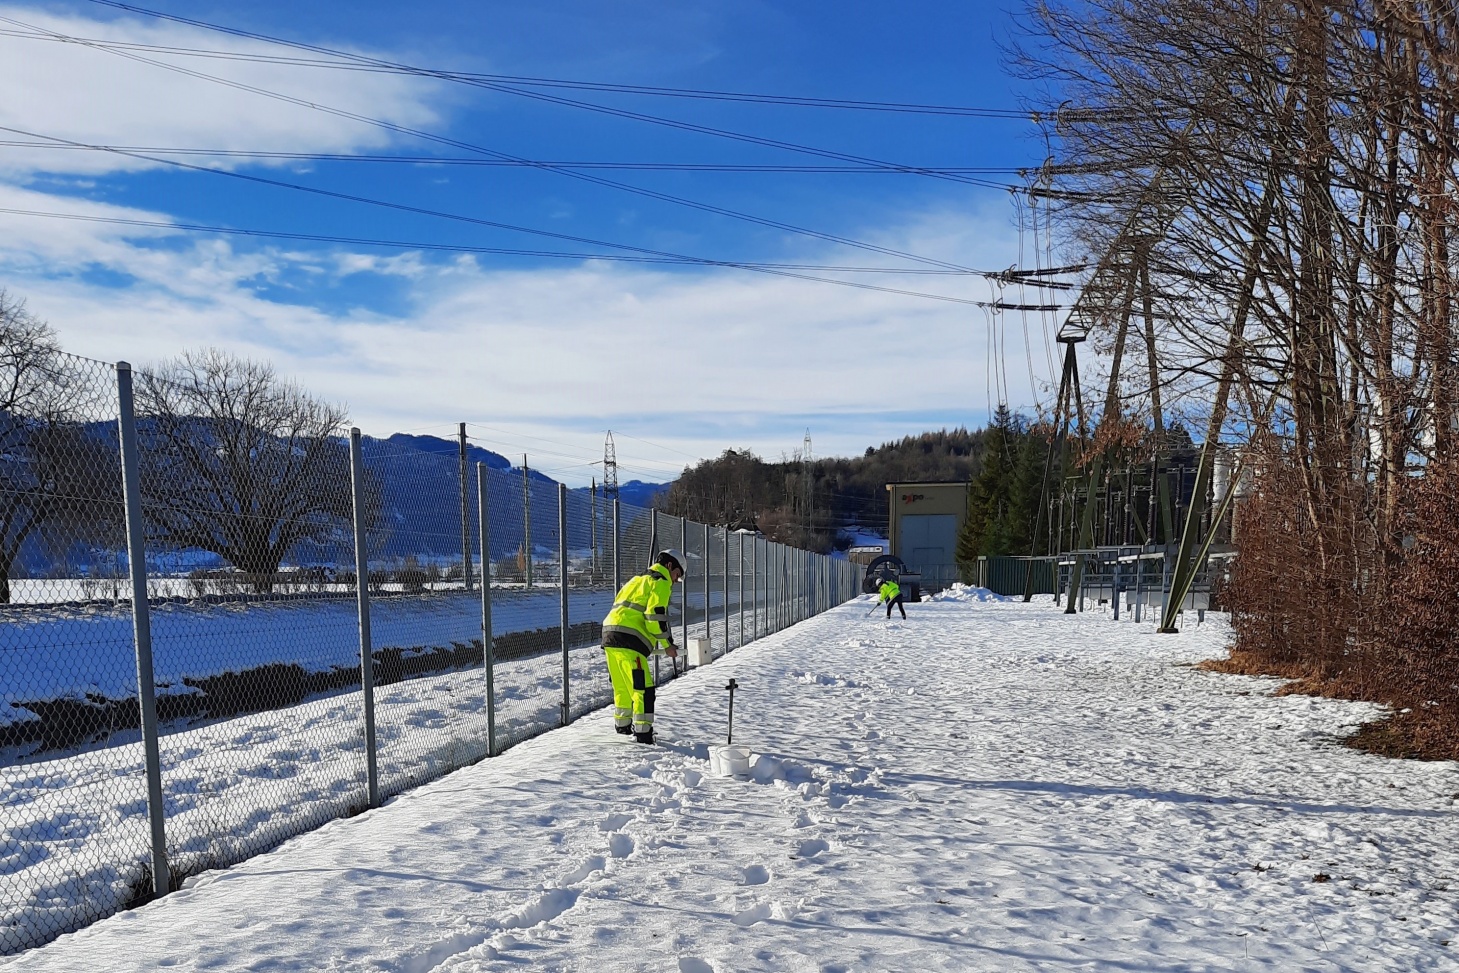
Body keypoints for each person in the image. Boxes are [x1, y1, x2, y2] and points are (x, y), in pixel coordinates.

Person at [602, 549, 684, 744]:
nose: (675, 581)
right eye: (677, 575)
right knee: (643, 688)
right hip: (630, 638)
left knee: (622, 685)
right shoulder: (661, 582)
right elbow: (654, 618)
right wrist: (668, 645)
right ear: (670, 566)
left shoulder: (636, 580)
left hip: (609, 634)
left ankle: (622, 726)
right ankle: (643, 734)